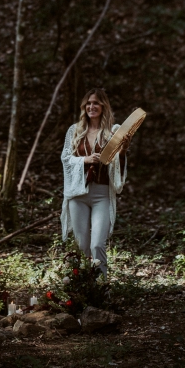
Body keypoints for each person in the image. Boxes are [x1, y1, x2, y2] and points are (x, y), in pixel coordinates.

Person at [60, 89, 127, 277]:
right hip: (78, 195)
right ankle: (82, 289)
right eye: (88, 103)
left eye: (96, 103)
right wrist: (85, 160)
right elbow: (65, 159)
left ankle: (102, 289)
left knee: (97, 244)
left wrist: (122, 152)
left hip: (102, 194)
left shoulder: (114, 132)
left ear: (103, 106)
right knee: (81, 246)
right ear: (84, 107)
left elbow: (117, 164)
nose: (91, 107)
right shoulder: (75, 131)